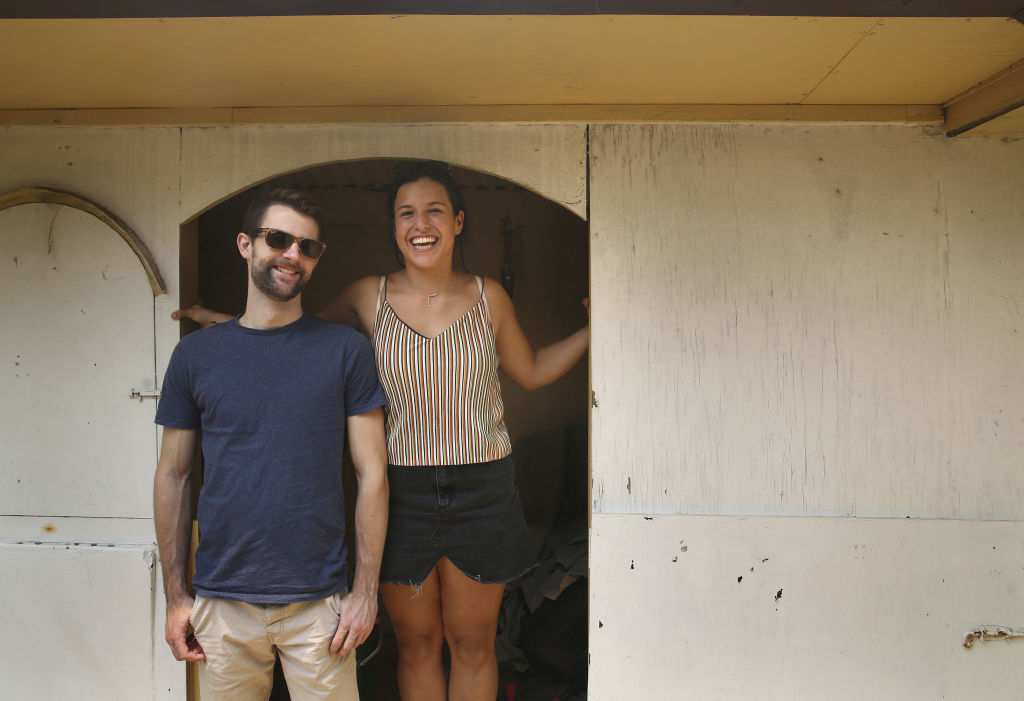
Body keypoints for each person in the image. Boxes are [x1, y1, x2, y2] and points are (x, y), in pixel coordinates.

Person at [174, 161, 589, 701]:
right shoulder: (368, 295)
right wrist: (221, 325)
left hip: (484, 490)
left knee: (472, 645)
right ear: (394, 227)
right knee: (417, 644)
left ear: (458, 221)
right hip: (403, 491)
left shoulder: (489, 296)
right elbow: (294, 338)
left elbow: (530, 371)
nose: (422, 224)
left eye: (435, 210)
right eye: (407, 213)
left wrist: (593, 329)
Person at [154, 187, 389, 701]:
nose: (293, 255)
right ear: (246, 245)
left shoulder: (344, 351)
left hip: (320, 606)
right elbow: (173, 474)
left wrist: (364, 593)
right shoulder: (196, 357)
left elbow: (373, 472)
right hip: (222, 601)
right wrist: (175, 596)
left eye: (308, 247)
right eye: (279, 239)